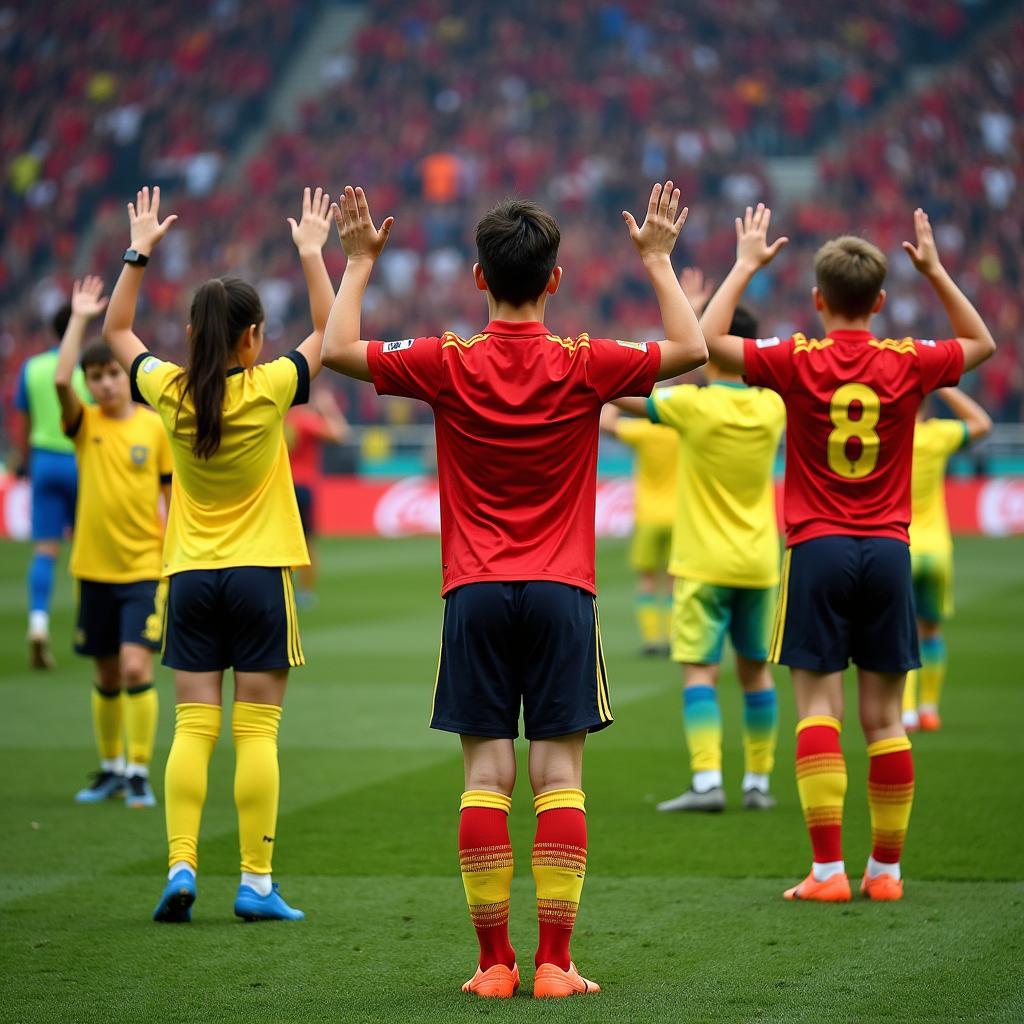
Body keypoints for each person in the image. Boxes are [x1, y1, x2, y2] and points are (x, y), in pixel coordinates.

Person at [320, 182, 707, 997]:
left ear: (477, 277)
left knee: (485, 779)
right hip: (564, 588)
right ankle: (556, 964)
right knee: (559, 779)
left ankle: (494, 963)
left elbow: (338, 350)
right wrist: (659, 260)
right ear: (556, 280)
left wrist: (356, 263)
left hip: (476, 591)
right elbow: (693, 350)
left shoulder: (447, 361)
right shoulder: (585, 362)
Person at [700, 204, 995, 903]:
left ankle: (829, 872)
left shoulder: (797, 360)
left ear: (818, 301)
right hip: (889, 548)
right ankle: (886, 872)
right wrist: (937, 269)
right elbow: (979, 343)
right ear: (882, 302)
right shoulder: (908, 363)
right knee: (886, 719)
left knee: (818, 712)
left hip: (818, 549)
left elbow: (708, 342)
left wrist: (744, 263)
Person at [102, 185, 335, 924]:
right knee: (257, 731)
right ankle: (256, 883)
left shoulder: (169, 390)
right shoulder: (268, 389)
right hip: (261, 573)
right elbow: (332, 333)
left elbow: (116, 332)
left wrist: (138, 250)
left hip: (190, 577)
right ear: (251, 337)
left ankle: (179, 865)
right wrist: (312, 252)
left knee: (193, 729)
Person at [615, 302, 785, 812]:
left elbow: (620, 395)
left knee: (699, 673)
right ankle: (758, 782)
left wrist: (678, 330)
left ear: (711, 348)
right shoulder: (774, 407)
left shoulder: (692, 405)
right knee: (757, 673)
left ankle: (708, 782)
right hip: (758, 562)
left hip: (701, 564)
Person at [54, 276, 171, 809]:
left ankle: (139, 771)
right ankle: (109, 767)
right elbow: (60, 382)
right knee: (103, 671)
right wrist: (79, 318)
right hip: (93, 567)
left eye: (112, 373)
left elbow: (170, 497)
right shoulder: (84, 424)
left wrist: (174, 553)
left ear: (130, 376)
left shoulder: (154, 428)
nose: (104, 384)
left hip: (144, 567)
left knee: (134, 668)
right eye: (94, 376)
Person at [902, 387, 992, 732]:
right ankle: (929, 709)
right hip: (938, 550)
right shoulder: (939, 435)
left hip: (903, 550)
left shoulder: (891, 437)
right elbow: (982, 423)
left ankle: (906, 712)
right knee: (932, 632)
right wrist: (946, 387)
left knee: (902, 634)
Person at [14, 301, 92, 668]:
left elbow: (23, 422)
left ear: (51, 332)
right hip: (82, 461)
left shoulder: (33, 368)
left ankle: (38, 621)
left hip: (44, 460)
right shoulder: (88, 370)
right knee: (87, 547)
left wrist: (24, 463)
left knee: (45, 549)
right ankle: (86, 626)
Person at [598, 406, 676, 654]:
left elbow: (605, 423)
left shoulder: (645, 432)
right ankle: (674, 638)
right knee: (674, 581)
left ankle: (653, 640)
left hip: (649, 516)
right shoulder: (683, 430)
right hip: (680, 515)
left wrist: (615, 400)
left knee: (647, 580)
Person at [286, 384, 350, 605]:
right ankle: (305, 592)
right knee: (307, 542)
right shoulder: (305, 420)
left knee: (283, 540)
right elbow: (341, 434)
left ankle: (283, 587)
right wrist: (329, 408)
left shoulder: (283, 419)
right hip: (303, 487)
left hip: (281, 487)